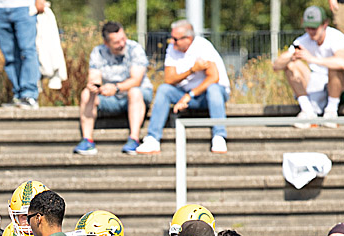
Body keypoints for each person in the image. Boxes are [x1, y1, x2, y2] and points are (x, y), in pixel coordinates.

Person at [137, 20, 231, 155]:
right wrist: (192, 70)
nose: (172, 42)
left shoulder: (203, 47)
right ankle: (153, 139)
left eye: (176, 39)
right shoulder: (172, 48)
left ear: (188, 38)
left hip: (207, 95)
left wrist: (190, 95)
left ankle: (219, 136)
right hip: (185, 94)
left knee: (214, 89)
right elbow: (169, 79)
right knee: (164, 89)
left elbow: (213, 78)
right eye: (171, 38)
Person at [74, 22, 154, 155]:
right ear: (106, 43)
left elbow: (136, 80)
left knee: (134, 92)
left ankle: (134, 139)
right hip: (111, 98)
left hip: (136, 95)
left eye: (123, 38)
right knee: (86, 94)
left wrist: (116, 88)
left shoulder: (135, 48)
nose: (122, 43)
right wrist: (95, 86)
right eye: (116, 42)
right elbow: (94, 76)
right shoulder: (98, 52)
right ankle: (87, 141)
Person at [273, 6, 344, 127]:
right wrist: (291, 55)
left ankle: (331, 112)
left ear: (325, 24)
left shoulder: (336, 37)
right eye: (308, 27)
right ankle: (307, 110)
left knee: (334, 67)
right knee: (291, 65)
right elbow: (276, 66)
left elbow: (342, 63)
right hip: (319, 85)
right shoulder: (302, 41)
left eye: (314, 28)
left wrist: (311, 59)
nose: (311, 31)